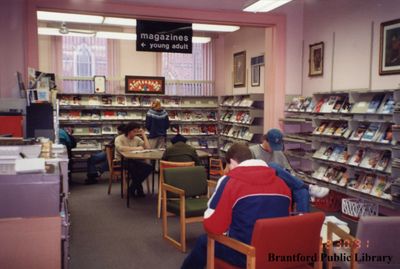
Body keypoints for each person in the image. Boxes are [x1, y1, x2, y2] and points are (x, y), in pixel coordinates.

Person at [181, 143, 291, 269]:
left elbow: (212, 226)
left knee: (203, 241)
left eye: (227, 166)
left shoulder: (230, 182)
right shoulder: (282, 184)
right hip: (277, 253)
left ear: (232, 162)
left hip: (245, 254)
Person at [249, 128, 329, 212]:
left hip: (282, 183)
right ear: (265, 140)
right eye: (272, 146)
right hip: (264, 183)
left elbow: (289, 171)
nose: (274, 149)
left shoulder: (278, 153)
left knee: (303, 192)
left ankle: (302, 219)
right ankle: (307, 186)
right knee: (272, 166)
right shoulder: (252, 151)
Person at [114, 122, 152, 197]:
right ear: (129, 131)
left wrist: (143, 135)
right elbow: (120, 148)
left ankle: (131, 189)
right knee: (134, 169)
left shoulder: (137, 138)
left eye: (137, 131)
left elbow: (148, 148)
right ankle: (138, 190)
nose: (136, 133)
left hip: (134, 160)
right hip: (121, 160)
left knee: (149, 167)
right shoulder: (119, 138)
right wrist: (137, 148)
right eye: (134, 131)